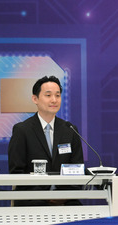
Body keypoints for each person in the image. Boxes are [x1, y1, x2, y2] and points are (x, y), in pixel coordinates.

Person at [8, 75, 84, 206]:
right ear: (35, 99)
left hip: (66, 200)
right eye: (48, 95)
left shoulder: (70, 129)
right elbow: (17, 172)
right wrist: (45, 196)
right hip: (33, 199)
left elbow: (77, 168)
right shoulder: (22, 130)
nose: (54, 100)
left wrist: (64, 196)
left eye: (58, 95)